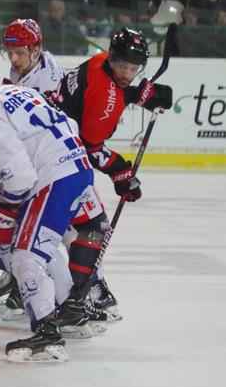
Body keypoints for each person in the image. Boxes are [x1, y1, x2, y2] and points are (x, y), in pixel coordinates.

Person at [0, 52, 106, 362]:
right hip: (77, 167)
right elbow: (67, 123)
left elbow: (20, 179)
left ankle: (47, 335)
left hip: (54, 177)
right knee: (44, 246)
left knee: (25, 255)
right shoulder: (12, 91)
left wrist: (10, 206)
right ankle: (72, 312)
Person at [55, 27, 173, 320]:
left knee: (70, 227)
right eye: (122, 66)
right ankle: (80, 296)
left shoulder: (98, 64)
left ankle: (88, 288)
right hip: (60, 163)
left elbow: (107, 92)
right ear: (111, 58)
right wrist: (121, 172)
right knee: (91, 227)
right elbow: (91, 148)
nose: (126, 73)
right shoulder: (106, 97)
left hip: (52, 149)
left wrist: (135, 94)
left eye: (133, 68)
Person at [0, 18, 66, 313]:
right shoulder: (26, 66)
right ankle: (15, 276)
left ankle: (49, 288)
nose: (14, 59)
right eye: (10, 52)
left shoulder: (47, 80)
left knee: (31, 229)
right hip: (32, 161)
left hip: (44, 164)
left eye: (19, 52)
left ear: (36, 49)